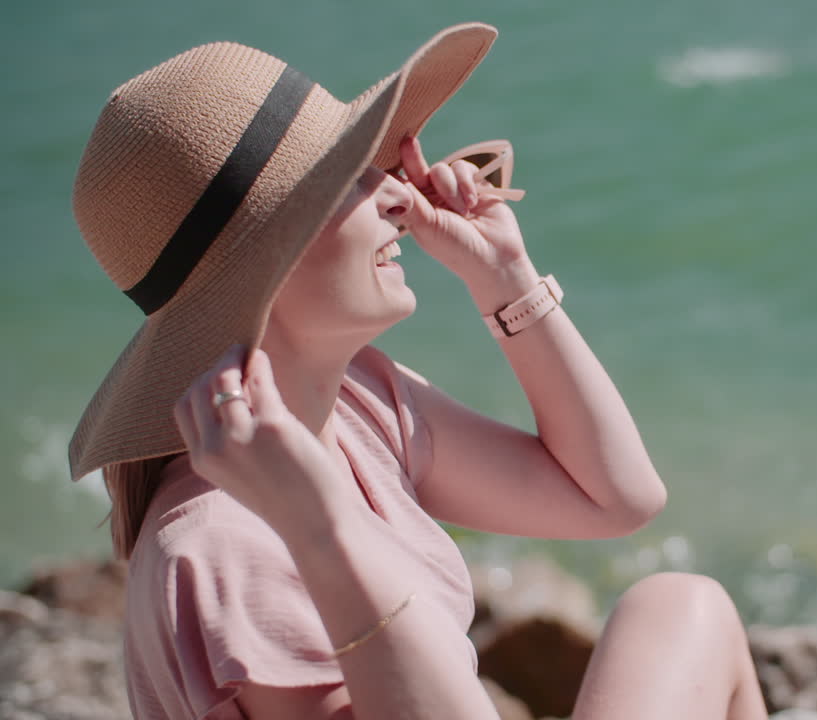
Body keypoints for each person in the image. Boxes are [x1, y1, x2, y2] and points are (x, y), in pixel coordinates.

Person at [69, 22, 768, 720]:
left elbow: (614, 498)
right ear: (261, 267)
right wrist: (322, 530)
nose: (401, 196)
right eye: (348, 177)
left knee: (681, 607)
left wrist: (505, 278)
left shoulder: (358, 405)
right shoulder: (224, 546)